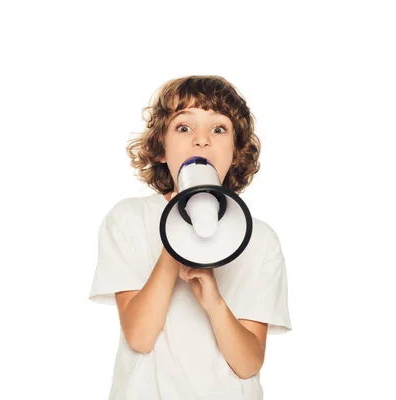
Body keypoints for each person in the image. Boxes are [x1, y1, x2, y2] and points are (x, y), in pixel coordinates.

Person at [88, 75, 292, 399]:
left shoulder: (261, 241)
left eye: (218, 128)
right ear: (160, 148)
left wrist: (214, 303)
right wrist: (177, 237)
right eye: (184, 127)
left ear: (237, 152)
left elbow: (249, 363)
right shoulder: (126, 220)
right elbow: (139, 336)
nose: (201, 140)